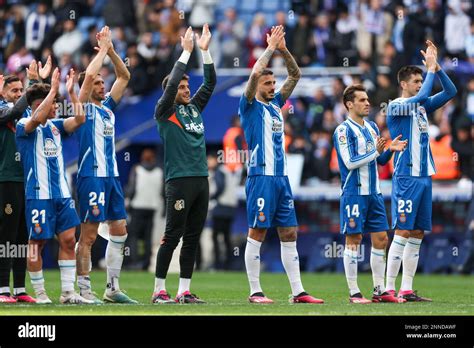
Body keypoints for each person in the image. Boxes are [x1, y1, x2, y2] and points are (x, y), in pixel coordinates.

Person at [239, 25, 323, 304]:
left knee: (289, 231)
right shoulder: (249, 105)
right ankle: (255, 291)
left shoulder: (276, 104)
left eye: (274, 83)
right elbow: (253, 75)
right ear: (257, 86)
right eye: (268, 84)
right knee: (258, 231)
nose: (273, 87)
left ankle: (298, 291)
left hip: (281, 177)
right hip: (261, 175)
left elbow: (296, 74)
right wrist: (270, 48)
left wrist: (284, 50)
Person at [385, 40, 457, 301]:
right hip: (406, 177)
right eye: (415, 81)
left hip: (425, 177)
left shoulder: (422, 109)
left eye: (420, 80)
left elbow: (450, 92)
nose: (419, 84)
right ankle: (388, 289)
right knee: (402, 231)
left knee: (416, 233)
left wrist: (437, 68)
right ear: (404, 84)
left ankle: (406, 289)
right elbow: (423, 95)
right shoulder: (396, 106)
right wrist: (428, 70)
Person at [151, 24, 216, 304]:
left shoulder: (193, 108)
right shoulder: (165, 111)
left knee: (192, 237)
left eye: (189, 85)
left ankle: (184, 291)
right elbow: (173, 79)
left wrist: (204, 51)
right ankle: (158, 290)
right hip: (178, 181)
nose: (187, 89)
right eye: (182, 86)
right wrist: (185, 53)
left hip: (201, 179)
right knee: (172, 235)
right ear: (170, 91)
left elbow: (211, 83)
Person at [16, 67, 92, 304]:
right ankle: (40, 294)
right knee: (36, 243)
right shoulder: (23, 124)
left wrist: (71, 92)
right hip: (38, 194)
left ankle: (68, 293)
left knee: (69, 240)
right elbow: (37, 117)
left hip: (62, 193)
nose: (57, 107)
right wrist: (52, 91)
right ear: (41, 104)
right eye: (53, 104)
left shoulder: (56, 126)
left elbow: (80, 119)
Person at [75, 26, 136, 304]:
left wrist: (111, 51)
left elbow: (125, 76)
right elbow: (88, 75)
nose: (102, 85)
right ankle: (83, 288)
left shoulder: (108, 108)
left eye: (102, 83)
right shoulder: (83, 107)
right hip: (92, 176)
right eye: (98, 83)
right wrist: (101, 51)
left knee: (119, 229)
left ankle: (112, 288)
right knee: (88, 235)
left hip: (111, 177)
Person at [333, 84, 407, 304]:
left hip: (374, 192)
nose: (368, 103)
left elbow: (378, 161)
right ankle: (354, 292)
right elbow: (350, 162)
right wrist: (376, 151)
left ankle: (379, 290)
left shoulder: (373, 127)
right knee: (353, 239)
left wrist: (388, 151)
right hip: (353, 193)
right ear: (349, 104)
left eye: (367, 99)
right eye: (362, 100)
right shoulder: (343, 130)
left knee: (382, 238)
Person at [0, 58, 51, 303]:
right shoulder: (2, 109)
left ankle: (19, 289)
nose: (18, 94)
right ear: (2, 92)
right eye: (14, 90)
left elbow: (38, 110)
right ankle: (2, 289)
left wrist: (37, 81)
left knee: (22, 236)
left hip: (26, 180)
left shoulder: (24, 112)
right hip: (6, 179)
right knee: (6, 236)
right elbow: (14, 111)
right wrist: (32, 85)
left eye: (21, 90)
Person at [125, 148, 163, 270]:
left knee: (134, 236)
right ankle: (146, 262)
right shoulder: (159, 172)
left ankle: (135, 261)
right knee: (148, 237)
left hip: (137, 206)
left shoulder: (137, 169)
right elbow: (163, 191)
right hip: (152, 207)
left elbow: (132, 189)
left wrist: (128, 200)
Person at [208, 153, 238, 270]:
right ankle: (228, 264)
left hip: (221, 208)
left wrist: (213, 197)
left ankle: (217, 263)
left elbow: (220, 186)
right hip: (231, 208)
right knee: (227, 237)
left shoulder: (220, 171)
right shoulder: (231, 171)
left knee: (215, 236)